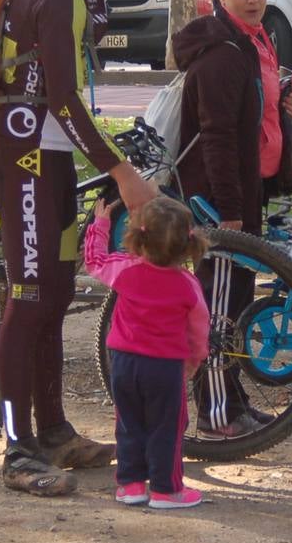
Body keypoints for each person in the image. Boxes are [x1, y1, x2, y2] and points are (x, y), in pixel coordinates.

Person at [0, 0, 161, 496]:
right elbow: (61, 99)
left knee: (53, 300)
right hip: (25, 158)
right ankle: (14, 448)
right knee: (27, 301)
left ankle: (53, 431)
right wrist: (120, 172)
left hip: (48, 160)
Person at [171, 0, 292, 438]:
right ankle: (214, 410)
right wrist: (228, 212)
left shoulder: (254, 41)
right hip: (220, 201)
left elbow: (255, 112)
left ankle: (231, 398)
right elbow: (217, 137)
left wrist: (288, 101)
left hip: (248, 192)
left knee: (235, 300)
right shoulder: (222, 53)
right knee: (220, 305)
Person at [84, 196, 210, 510]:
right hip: (165, 367)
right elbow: (199, 328)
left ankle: (131, 484)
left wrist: (99, 227)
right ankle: (167, 490)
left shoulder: (124, 269)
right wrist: (194, 359)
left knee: (128, 423)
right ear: (188, 244)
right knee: (167, 426)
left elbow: (94, 261)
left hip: (124, 363)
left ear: (139, 237)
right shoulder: (188, 284)